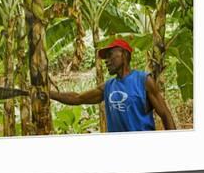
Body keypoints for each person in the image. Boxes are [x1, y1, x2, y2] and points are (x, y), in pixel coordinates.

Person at [49, 38, 177, 132]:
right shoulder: (108, 86)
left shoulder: (143, 80)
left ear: (125, 55)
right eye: (105, 58)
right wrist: (49, 93)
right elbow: (77, 98)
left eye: (110, 55)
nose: (106, 61)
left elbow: (165, 114)